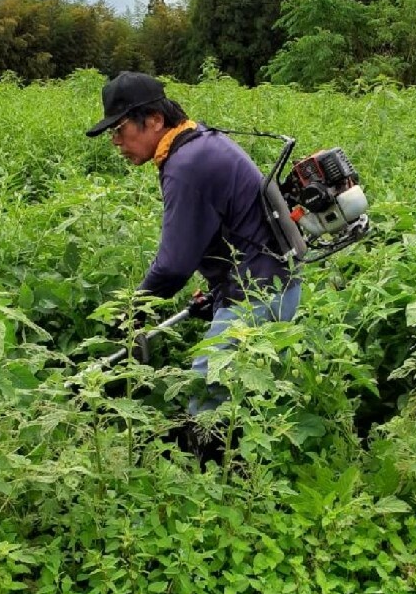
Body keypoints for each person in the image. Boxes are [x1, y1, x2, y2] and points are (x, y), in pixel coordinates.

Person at [85, 71, 301, 425]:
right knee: (242, 401)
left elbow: (173, 265)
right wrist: (217, 293)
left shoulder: (186, 164)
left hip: (257, 296)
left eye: (120, 130)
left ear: (154, 120)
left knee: (207, 395)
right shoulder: (200, 142)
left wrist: (133, 310)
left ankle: (212, 472)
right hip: (274, 286)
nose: (116, 142)